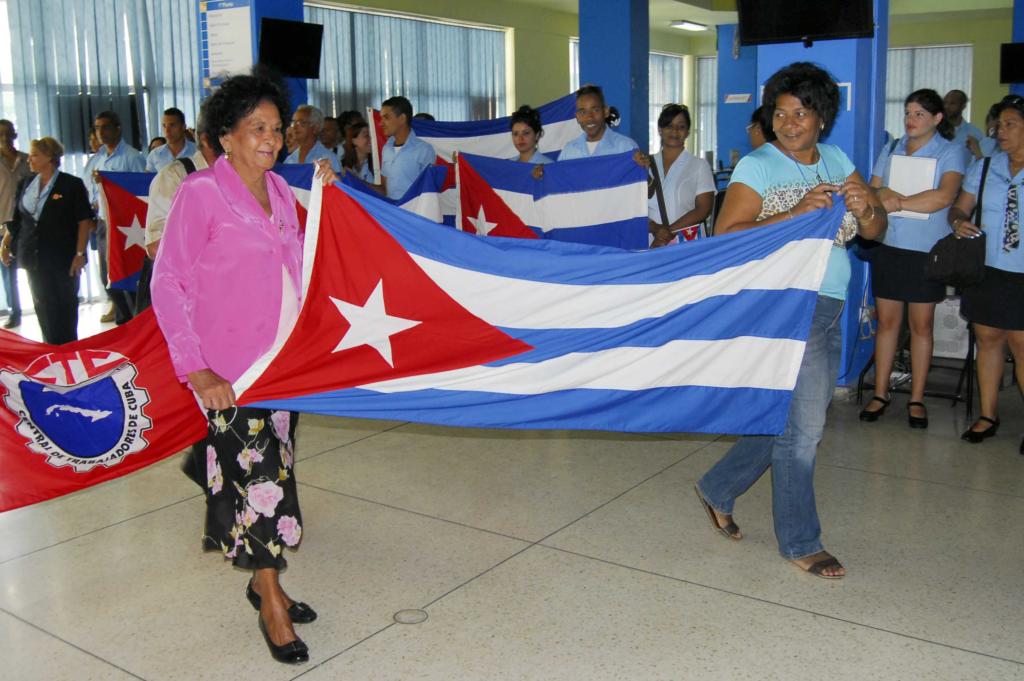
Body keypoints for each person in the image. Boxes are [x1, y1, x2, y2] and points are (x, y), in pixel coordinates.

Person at [152, 71, 335, 664]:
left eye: (277, 128)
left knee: (272, 473)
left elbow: (305, 261)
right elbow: (168, 281)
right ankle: (272, 600)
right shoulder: (201, 194)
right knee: (263, 488)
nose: (271, 139)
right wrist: (197, 369)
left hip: (281, 367)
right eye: (256, 128)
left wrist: (331, 198)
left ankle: (260, 577)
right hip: (229, 370)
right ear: (224, 137)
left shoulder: (282, 191)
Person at [695, 62, 886, 579]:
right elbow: (727, 234)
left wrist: (868, 207)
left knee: (787, 419)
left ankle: (718, 487)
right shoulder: (757, 166)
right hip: (783, 307)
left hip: (828, 307)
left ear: (821, 117)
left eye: (800, 112)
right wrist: (796, 212)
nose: (789, 122)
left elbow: (873, 230)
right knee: (805, 431)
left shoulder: (837, 158)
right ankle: (801, 540)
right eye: (780, 112)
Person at [860, 89, 965, 428]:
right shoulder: (890, 149)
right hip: (890, 246)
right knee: (888, 324)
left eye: (919, 113)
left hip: (926, 251)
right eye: (907, 112)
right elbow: (872, 190)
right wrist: (881, 195)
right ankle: (881, 392)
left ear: (937, 119)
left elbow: (943, 197)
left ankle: (917, 397)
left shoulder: (951, 152)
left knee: (921, 326)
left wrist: (898, 201)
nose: (910, 119)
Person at [947, 93, 1024, 455]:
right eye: (999, 124)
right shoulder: (985, 165)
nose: (1000, 131)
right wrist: (960, 222)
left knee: (1022, 346)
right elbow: (959, 209)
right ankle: (988, 415)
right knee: (988, 340)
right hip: (987, 269)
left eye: (1010, 125)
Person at [2, 137, 93, 344]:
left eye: (34, 155)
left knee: (65, 305)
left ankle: (68, 349)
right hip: (33, 256)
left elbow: (84, 221)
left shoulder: (71, 184)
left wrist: (79, 254)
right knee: (42, 305)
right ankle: (50, 349)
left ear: (49, 157)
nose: (29, 160)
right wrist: (6, 242)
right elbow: (17, 218)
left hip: (63, 257)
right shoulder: (25, 184)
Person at [137, 112, 221, 314]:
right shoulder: (175, 176)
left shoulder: (237, 178)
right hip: (181, 298)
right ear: (207, 139)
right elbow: (156, 246)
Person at [86, 110, 146, 325]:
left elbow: (141, 192)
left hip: (128, 226)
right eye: (97, 127)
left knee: (128, 275)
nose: (101, 132)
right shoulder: (98, 158)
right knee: (108, 275)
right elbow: (91, 192)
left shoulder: (132, 157)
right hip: (104, 224)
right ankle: (123, 318)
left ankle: (133, 320)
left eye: (105, 127)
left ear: (118, 129)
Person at [647, 103, 715, 247]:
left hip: (686, 241)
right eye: (669, 126)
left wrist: (665, 234)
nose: (675, 131)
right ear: (660, 129)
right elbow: (635, 207)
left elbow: (703, 209)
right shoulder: (645, 165)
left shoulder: (699, 166)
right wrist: (655, 229)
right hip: (650, 242)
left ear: (688, 132)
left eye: (681, 126)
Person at [374, 95, 435, 200]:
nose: (381, 123)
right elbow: (385, 190)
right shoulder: (387, 149)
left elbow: (429, 194)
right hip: (391, 211)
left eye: (386, 117)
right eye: (381, 118)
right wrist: (357, 181)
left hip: (412, 213)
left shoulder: (424, 150)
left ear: (402, 118)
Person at [0, 119, 30, 329]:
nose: (5, 138)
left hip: (26, 224)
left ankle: (41, 305)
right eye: (0, 134)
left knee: (32, 268)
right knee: (7, 271)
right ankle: (15, 311)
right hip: (2, 224)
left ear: (15, 135)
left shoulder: (28, 160)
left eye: (9, 133)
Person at [558, 84, 640, 160]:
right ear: (577, 117)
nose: (589, 117)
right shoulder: (569, 152)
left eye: (595, 110)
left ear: (606, 111)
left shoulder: (626, 148)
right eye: (583, 112)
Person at [285, 104, 341, 171]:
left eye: (301, 123)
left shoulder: (329, 159)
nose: (295, 127)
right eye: (294, 122)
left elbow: (336, 181)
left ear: (315, 128)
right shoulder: (289, 160)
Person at [145, 107, 198, 172]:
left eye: (172, 125)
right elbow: (147, 180)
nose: (167, 131)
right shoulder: (155, 155)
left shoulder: (197, 152)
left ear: (183, 127)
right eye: (164, 126)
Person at [944, 89, 984, 161]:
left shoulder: (974, 133)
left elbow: (980, 163)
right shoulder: (935, 130)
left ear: (963, 106)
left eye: (952, 103)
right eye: (945, 103)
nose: (947, 106)